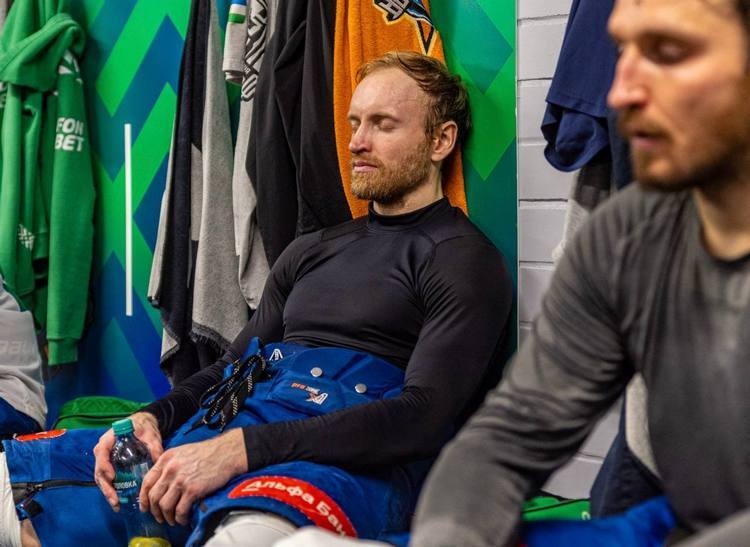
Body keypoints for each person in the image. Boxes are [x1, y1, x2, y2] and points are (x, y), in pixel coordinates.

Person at [0, 51, 512, 547]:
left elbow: (422, 417)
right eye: (355, 122)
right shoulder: (311, 249)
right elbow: (231, 365)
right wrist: (152, 417)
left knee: (247, 535)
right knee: (13, 473)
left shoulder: (461, 258)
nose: (357, 141)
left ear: (441, 140)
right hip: (228, 428)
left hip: (337, 464)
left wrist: (239, 452)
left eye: (383, 125)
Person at [410, 0, 750, 545]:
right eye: (621, 51)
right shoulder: (626, 234)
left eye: (668, 52)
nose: (619, 94)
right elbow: (510, 434)